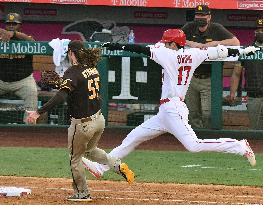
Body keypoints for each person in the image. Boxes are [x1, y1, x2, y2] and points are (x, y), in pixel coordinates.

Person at [81, 29, 258, 179]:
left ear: (174, 44)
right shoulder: (194, 53)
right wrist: (243, 52)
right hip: (165, 112)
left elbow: (140, 49)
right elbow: (222, 52)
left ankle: (239, 146)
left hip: (174, 110)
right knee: (133, 137)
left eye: (168, 43)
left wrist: (116, 46)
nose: (165, 45)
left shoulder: (167, 53)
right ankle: (101, 168)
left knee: (194, 145)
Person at [26, 40, 134, 202]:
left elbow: (62, 96)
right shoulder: (92, 69)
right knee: (91, 150)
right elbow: (79, 90)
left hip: (83, 124)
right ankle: (118, 165)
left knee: (74, 158)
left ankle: (82, 193)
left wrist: (38, 112)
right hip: (99, 120)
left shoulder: (73, 72)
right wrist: (62, 84)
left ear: (71, 53)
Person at [181, 5, 240, 128]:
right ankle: (195, 141)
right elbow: (174, 39)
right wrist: (191, 43)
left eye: (203, 15)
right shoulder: (189, 27)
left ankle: (209, 139)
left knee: (208, 114)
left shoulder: (216, 28)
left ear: (209, 17)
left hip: (210, 78)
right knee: (192, 113)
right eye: (198, 15)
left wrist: (215, 43)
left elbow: (236, 42)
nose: (200, 17)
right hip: (191, 77)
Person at [0, 13, 38, 122]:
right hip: (1, 81)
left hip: (23, 81)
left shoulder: (26, 38)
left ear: (20, 25)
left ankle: (28, 130)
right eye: (9, 24)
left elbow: (34, 43)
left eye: (14, 24)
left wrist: (15, 34)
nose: (11, 26)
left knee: (32, 94)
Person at [227, 17, 263, 129]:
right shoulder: (247, 50)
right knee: (255, 130)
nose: (260, 32)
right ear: (255, 32)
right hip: (254, 96)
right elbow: (237, 73)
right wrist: (232, 92)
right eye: (259, 30)